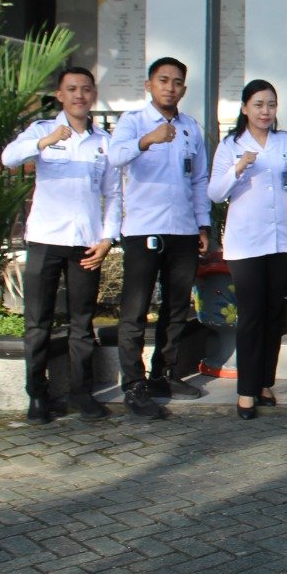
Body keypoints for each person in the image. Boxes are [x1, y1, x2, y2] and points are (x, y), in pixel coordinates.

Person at [2, 66, 120, 424]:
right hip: (45, 241)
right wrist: (45, 141)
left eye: (85, 89)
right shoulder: (42, 130)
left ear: (93, 94)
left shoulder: (104, 141)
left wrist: (107, 238)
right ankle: (38, 397)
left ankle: (81, 394)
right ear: (60, 95)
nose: (79, 95)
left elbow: (114, 194)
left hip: (85, 244)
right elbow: (8, 158)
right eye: (71, 89)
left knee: (81, 324)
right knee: (38, 323)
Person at [108, 57, 212, 420]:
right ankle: (133, 384)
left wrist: (203, 225)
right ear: (149, 85)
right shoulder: (133, 121)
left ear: (184, 89)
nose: (170, 87)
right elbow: (115, 157)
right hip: (144, 229)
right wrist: (146, 140)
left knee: (177, 307)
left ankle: (164, 373)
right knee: (135, 309)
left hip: (182, 229)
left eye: (177, 82)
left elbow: (199, 179)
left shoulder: (190, 127)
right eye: (163, 80)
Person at [208, 80, 287, 420]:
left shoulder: (286, 143)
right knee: (251, 314)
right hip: (246, 244)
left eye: (271, 104)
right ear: (245, 108)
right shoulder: (230, 145)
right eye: (258, 104)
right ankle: (246, 389)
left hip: (283, 240)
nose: (265, 111)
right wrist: (238, 168)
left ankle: (265, 383)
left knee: (273, 315)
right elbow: (215, 193)